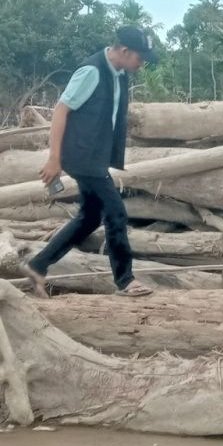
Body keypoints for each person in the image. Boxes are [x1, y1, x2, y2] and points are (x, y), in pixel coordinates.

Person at [21, 27, 157, 298]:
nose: (141, 64)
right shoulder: (92, 71)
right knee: (116, 212)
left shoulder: (119, 75)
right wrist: (54, 158)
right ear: (124, 51)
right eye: (139, 58)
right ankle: (125, 280)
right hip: (81, 156)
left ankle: (37, 265)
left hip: (94, 157)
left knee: (90, 217)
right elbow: (61, 110)